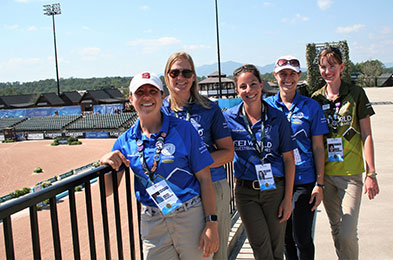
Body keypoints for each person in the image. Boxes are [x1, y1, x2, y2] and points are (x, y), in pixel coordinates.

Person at [100, 72, 219, 260]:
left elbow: (205, 179)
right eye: (140, 92)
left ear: (162, 96)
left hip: (190, 216)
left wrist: (211, 224)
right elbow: (108, 190)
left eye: (152, 91)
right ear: (131, 99)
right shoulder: (125, 141)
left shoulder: (184, 129)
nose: (146, 96)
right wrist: (105, 161)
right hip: (152, 221)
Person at [161, 51, 234, 260]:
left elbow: (228, 153)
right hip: (178, 192)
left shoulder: (209, 108)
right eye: (174, 73)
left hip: (214, 184)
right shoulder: (160, 110)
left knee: (216, 252)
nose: (180, 77)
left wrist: (198, 163)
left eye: (186, 72)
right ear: (167, 76)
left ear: (193, 77)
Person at [311, 47, 380, 259]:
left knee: (348, 232)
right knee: (337, 229)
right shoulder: (316, 98)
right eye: (323, 66)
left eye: (332, 66)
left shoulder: (356, 93)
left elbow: (366, 134)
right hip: (327, 175)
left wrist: (371, 173)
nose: (327, 70)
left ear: (341, 67)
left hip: (351, 175)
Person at [224, 64, 296, 260]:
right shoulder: (228, 119)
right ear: (237, 90)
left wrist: (288, 199)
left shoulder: (277, 117)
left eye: (253, 84)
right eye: (243, 86)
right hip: (246, 193)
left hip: (275, 190)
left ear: (261, 85)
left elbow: (289, 160)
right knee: (260, 247)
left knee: (276, 247)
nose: (249, 90)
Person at [266, 55, 329, 260]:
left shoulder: (311, 106)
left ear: (299, 76)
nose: (288, 78)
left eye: (292, 74)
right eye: (283, 74)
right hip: (278, 179)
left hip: (304, 179)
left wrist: (320, 184)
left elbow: (319, 147)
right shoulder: (267, 106)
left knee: (301, 236)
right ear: (275, 75)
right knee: (285, 237)